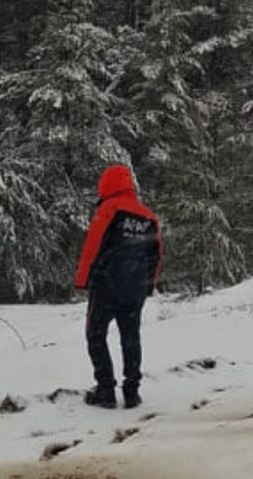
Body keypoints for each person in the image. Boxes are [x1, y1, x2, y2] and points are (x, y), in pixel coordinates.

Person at [75, 164, 162, 410]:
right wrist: (149, 285)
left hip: (106, 285)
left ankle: (105, 389)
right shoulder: (148, 216)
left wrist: (82, 279)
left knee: (95, 334)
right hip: (135, 288)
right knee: (131, 337)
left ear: (106, 185)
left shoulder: (109, 209)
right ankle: (132, 391)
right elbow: (156, 253)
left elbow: (92, 246)